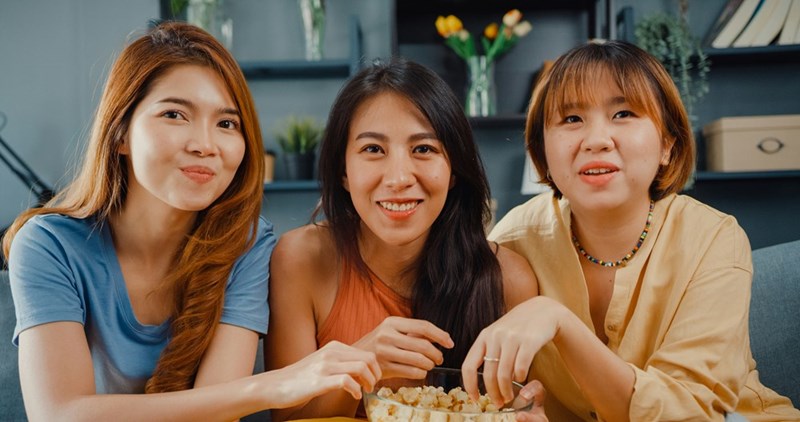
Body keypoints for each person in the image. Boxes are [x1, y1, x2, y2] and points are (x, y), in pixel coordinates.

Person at [1, 22, 379, 421]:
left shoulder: (246, 244)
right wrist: (272, 385)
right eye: (175, 114)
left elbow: (215, 415)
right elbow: (60, 415)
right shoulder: (47, 245)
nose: (205, 145)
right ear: (120, 133)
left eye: (226, 123)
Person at [462, 40, 800, 421]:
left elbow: (689, 412)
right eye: (571, 119)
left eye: (623, 113)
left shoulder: (714, 239)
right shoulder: (512, 242)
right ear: (542, 150)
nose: (596, 140)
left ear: (667, 145)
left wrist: (557, 320)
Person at [266, 58, 545, 421]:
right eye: (373, 150)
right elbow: (291, 420)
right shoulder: (300, 259)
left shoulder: (509, 279)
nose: (398, 178)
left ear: (455, 169)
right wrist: (363, 362)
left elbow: (519, 404)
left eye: (424, 149)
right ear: (343, 172)